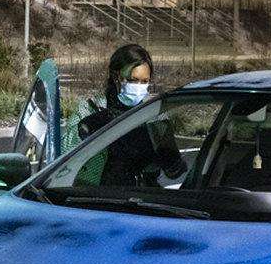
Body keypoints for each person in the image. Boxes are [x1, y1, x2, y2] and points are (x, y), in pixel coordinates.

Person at [66, 43, 186, 187]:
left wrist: (169, 158)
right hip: (94, 196)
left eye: (145, 81)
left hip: (138, 199)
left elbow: (174, 173)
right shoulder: (90, 109)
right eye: (132, 80)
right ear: (116, 76)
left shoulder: (154, 115)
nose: (139, 87)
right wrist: (88, 128)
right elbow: (64, 154)